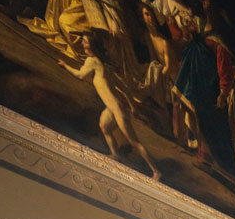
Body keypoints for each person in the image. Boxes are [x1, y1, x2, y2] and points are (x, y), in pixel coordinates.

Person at [58, 31, 161, 180]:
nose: (82, 43)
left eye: (84, 41)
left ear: (91, 45)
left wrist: (65, 65)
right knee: (104, 126)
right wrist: (132, 105)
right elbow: (122, 88)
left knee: (134, 142)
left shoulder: (92, 61)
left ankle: (156, 171)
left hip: (117, 109)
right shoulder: (104, 65)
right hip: (112, 108)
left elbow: (80, 75)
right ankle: (115, 154)